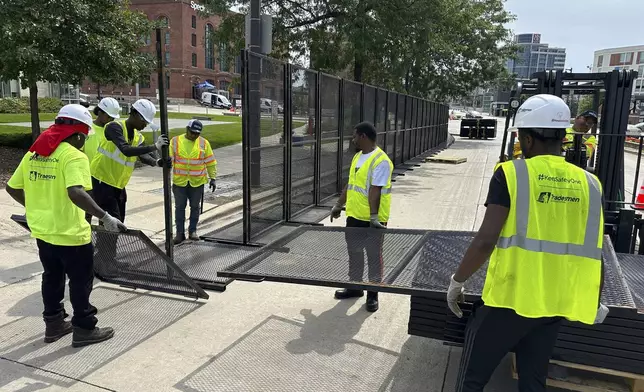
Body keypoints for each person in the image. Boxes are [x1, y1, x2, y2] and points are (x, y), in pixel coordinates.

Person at [446, 95, 609, 392]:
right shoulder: (590, 183)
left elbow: (485, 240)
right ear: (562, 136)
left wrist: (458, 281)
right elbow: (595, 249)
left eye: (521, 137)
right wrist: (596, 297)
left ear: (529, 139)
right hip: (554, 305)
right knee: (533, 381)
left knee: (471, 379)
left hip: (511, 300)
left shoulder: (512, 174)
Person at [5, 104, 127, 347]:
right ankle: (84, 327)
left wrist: (37, 208)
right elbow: (76, 193)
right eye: (86, 136)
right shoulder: (74, 156)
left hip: (43, 231)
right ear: (79, 134)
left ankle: (54, 324)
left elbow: (12, 187)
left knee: (52, 277)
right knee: (81, 281)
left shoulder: (35, 153)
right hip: (71, 234)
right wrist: (105, 217)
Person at [330, 122, 393, 312]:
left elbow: (375, 191)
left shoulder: (380, 160)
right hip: (355, 216)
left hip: (373, 220)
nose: (353, 139)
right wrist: (339, 205)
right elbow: (351, 185)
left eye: (355, 136)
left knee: (374, 256)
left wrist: (374, 217)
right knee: (354, 252)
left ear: (364, 136)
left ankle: (373, 294)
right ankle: (355, 287)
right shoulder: (358, 157)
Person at [90, 98, 169, 225]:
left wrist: (157, 162)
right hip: (102, 180)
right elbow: (125, 150)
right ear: (135, 114)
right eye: (144, 121)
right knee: (112, 223)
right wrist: (155, 146)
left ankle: (106, 244)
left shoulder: (138, 136)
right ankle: (105, 245)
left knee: (119, 221)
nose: (145, 125)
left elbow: (144, 156)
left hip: (118, 183)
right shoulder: (114, 127)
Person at [170, 119, 217, 244]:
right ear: (187, 129)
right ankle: (179, 234)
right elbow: (169, 159)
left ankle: (192, 231)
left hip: (197, 182)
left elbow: (210, 162)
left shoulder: (204, 143)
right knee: (180, 208)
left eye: (197, 133)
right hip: (180, 182)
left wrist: (213, 178)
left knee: (195, 207)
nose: (194, 135)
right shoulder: (175, 141)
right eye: (192, 132)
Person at [83, 97, 121, 223]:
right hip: (87, 179)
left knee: (105, 216)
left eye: (113, 118)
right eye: (109, 116)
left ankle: (102, 242)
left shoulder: (112, 130)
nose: (111, 120)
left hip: (105, 181)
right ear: (100, 112)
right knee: (86, 214)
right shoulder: (87, 129)